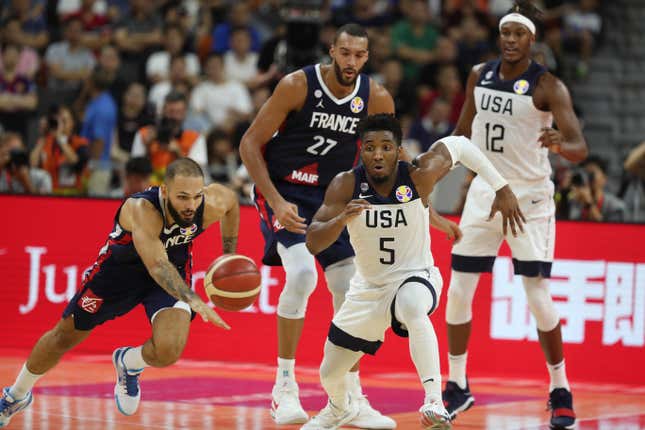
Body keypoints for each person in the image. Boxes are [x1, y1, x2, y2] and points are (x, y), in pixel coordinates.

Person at [302, 114, 524, 430]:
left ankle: (434, 402)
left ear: (398, 150)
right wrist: (341, 220)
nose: (378, 154)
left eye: (386, 147)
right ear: (360, 150)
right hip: (368, 289)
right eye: (370, 147)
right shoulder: (346, 185)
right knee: (329, 372)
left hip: (416, 277)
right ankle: (340, 409)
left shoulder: (419, 174)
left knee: (411, 304)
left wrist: (501, 187)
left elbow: (460, 145)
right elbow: (312, 241)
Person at [0, 158, 238, 426]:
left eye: (196, 196)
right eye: (182, 197)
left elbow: (231, 205)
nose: (190, 205)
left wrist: (229, 258)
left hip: (169, 275)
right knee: (62, 337)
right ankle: (16, 396)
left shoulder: (211, 203)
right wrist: (193, 299)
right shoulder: (141, 208)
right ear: (164, 190)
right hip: (117, 277)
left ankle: (130, 363)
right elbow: (157, 266)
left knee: (169, 349)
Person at [438, 2, 588, 429]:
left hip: (529, 200)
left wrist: (561, 144)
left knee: (537, 297)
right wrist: (435, 168)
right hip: (485, 191)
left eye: (518, 34)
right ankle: (457, 385)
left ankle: (560, 388)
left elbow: (580, 147)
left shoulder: (548, 86)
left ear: (531, 40)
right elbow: (462, 133)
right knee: (458, 291)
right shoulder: (478, 76)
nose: (509, 39)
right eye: (505, 32)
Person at [240, 23, 396, 428]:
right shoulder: (297, 85)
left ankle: (349, 396)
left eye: (359, 56)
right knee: (303, 275)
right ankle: (284, 387)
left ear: (367, 57)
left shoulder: (376, 97)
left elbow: (387, 157)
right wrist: (274, 200)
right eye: (345, 53)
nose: (351, 62)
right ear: (332, 50)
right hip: (285, 191)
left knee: (350, 288)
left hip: (332, 200)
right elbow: (249, 144)